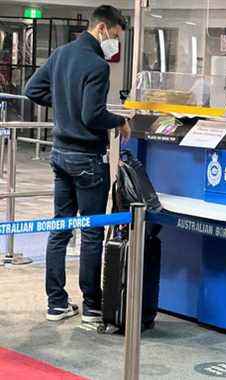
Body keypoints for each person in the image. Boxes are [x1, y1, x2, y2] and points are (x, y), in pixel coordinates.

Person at [25, 5, 131, 323]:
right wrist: (121, 121)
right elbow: (92, 115)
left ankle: (56, 303)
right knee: (92, 231)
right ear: (101, 28)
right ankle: (91, 306)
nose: (114, 42)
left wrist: (63, 104)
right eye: (114, 35)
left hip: (59, 154)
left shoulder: (60, 54)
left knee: (60, 227)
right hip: (86, 158)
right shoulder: (97, 65)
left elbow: (33, 90)